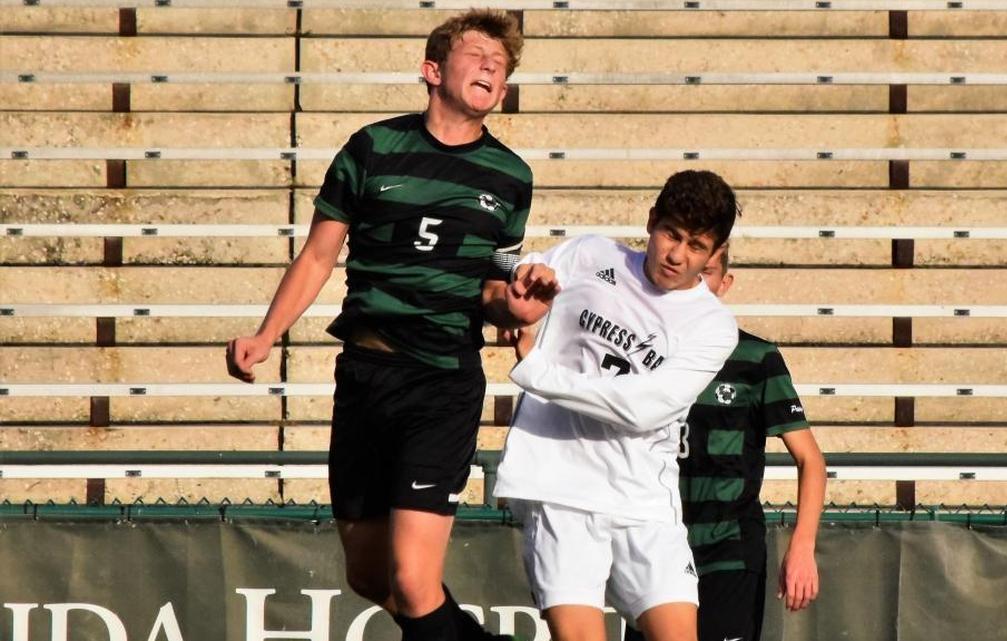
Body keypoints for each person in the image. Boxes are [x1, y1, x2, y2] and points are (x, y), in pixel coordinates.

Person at [225, 10, 557, 641]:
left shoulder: (511, 177)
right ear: (433, 70)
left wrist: (513, 309)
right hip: (365, 375)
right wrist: (266, 335)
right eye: (477, 55)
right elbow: (320, 254)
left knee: (412, 579)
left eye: (502, 64)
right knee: (369, 576)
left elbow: (489, 289)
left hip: (441, 385)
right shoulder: (372, 147)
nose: (493, 66)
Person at [494, 170, 742, 641]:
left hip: (644, 499)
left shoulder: (712, 326)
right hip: (560, 487)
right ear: (651, 222)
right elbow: (524, 279)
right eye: (671, 233)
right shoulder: (591, 254)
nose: (676, 255)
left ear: (713, 254)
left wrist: (540, 371)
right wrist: (528, 283)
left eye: (696, 246)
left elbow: (643, 409)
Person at [626, 248, 826, 641]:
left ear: (724, 283)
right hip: (656, 547)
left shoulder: (756, 358)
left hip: (727, 549)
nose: (696, 281)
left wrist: (802, 548)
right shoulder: (640, 352)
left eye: (708, 272)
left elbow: (811, 459)